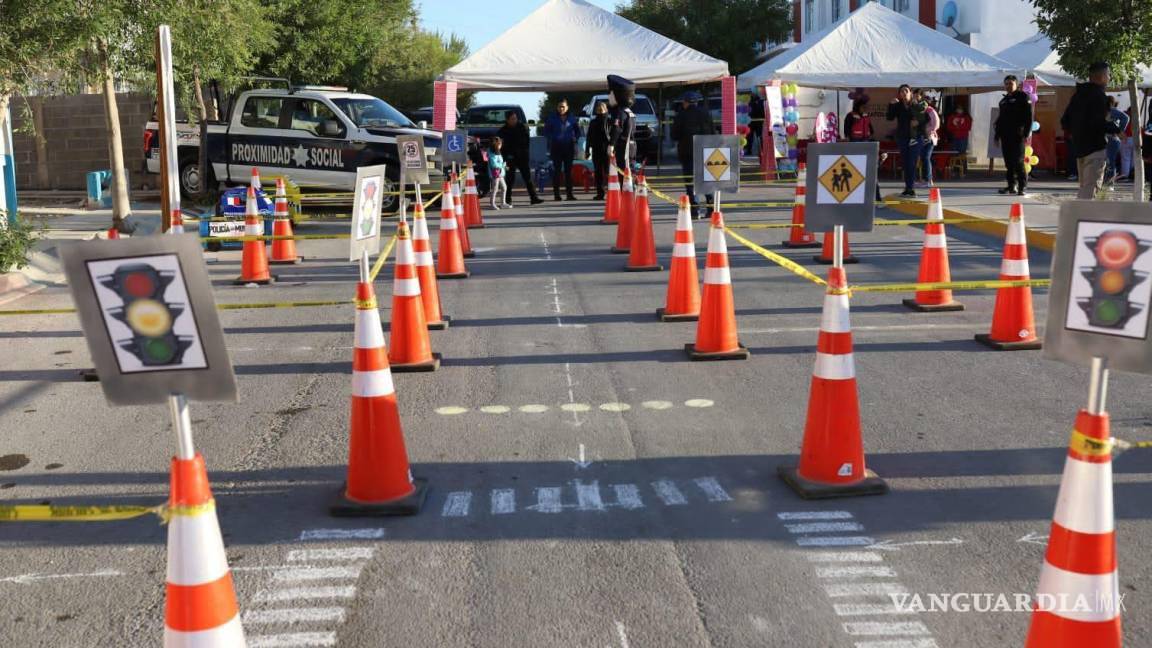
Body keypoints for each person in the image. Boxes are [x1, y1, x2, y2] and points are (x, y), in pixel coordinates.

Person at [1061, 62, 1122, 200]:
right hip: (1095, 148)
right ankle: (1080, 219)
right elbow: (1099, 123)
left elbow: (1064, 121)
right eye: (1108, 74)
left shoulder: (1077, 95)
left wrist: (1077, 133)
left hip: (1079, 149)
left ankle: (1079, 218)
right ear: (1101, 76)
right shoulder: (1099, 96)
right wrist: (1116, 130)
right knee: (1089, 191)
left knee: (1084, 188)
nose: (1110, 78)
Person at [670, 90, 716, 219]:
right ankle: (711, 207)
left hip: (687, 151)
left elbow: (674, 135)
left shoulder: (682, 115)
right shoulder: (706, 113)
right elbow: (713, 131)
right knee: (705, 179)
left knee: (690, 181)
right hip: (704, 150)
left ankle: (694, 210)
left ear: (686, 102)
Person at [995, 75, 1034, 196]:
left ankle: (1022, 186)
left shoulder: (1023, 97)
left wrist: (1026, 133)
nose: (1008, 86)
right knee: (1008, 162)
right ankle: (1012, 185)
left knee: (1018, 161)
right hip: (1006, 136)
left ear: (1017, 84)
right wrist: (997, 135)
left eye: (1011, 83)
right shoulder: (1003, 100)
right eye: (1006, 84)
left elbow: (1029, 117)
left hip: (1018, 135)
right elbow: (1000, 120)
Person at [496, 110, 543, 206]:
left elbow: (526, 142)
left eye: (515, 118)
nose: (514, 120)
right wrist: (507, 156)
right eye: (512, 119)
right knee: (509, 179)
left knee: (527, 177)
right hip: (510, 158)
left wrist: (523, 152)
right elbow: (502, 145)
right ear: (507, 120)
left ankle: (533, 198)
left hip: (522, 156)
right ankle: (507, 199)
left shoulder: (522, 127)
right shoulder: (502, 131)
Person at [543, 99, 582, 201]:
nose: (561, 109)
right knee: (557, 171)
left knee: (568, 172)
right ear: (557, 107)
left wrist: (575, 138)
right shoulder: (552, 118)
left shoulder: (572, 118)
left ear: (567, 107)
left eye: (563, 107)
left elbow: (578, 131)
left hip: (569, 147)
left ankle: (569, 194)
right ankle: (557, 195)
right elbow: (546, 131)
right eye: (559, 107)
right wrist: (553, 138)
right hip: (556, 148)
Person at [886, 84, 921, 197]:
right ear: (899, 95)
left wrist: (918, 122)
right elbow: (889, 117)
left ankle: (911, 188)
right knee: (905, 164)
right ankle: (908, 187)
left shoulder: (916, 104)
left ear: (910, 93)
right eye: (901, 91)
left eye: (906, 91)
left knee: (911, 163)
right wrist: (890, 105)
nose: (904, 93)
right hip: (903, 138)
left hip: (915, 138)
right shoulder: (898, 106)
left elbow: (927, 119)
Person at [607, 74, 637, 178]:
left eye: (610, 94)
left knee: (624, 176)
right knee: (629, 173)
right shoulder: (629, 112)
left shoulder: (620, 113)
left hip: (624, 148)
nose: (608, 97)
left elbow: (617, 129)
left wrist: (611, 145)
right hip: (631, 147)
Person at [585, 101, 612, 200]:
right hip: (596, 150)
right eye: (599, 109)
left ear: (606, 110)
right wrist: (587, 150)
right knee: (598, 172)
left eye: (602, 109)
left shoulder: (609, 121)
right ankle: (600, 193)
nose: (600, 111)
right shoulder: (593, 122)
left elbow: (613, 136)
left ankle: (612, 192)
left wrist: (613, 147)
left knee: (609, 172)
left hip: (607, 149)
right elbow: (589, 137)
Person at [1104, 96, 1130, 186]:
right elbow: (1125, 118)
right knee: (1109, 161)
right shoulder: (1108, 110)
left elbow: (1126, 117)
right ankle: (1107, 183)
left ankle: (1109, 183)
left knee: (1109, 162)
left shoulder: (1111, 110)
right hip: (1112, 139)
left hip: (1111, 138)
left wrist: (1119, 130)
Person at [918, 93, 940, 188]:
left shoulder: (931, 111)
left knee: (926, 158)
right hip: (924, 137)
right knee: (924, 158)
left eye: (925, 101)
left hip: (929, 138)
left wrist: (929, 131)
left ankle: (927, 180)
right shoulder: (923, 111)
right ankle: (926, 179)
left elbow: (936, 124)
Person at [487, 137, 511, 210]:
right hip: (495, 173)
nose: (501, 145)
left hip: (499, 173)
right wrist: (503, 166)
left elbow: (498, 163)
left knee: (504, 187)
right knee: (495, 188)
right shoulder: (492, 153)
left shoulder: (497, 151)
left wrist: (503, 166)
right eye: (500, 144)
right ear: (496, 145)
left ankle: (503, 203)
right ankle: (492, 204)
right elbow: (494, 164)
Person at [746, 91, 765, 157]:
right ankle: (749, 150)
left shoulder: (760, 101)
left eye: (753, 93)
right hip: (751, 122)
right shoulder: (749, 101)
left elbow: (762, 111)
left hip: (759, 122)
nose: (752, 94)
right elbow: (748, 111)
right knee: (749, 137)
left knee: (759, 137)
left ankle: (762, 150)